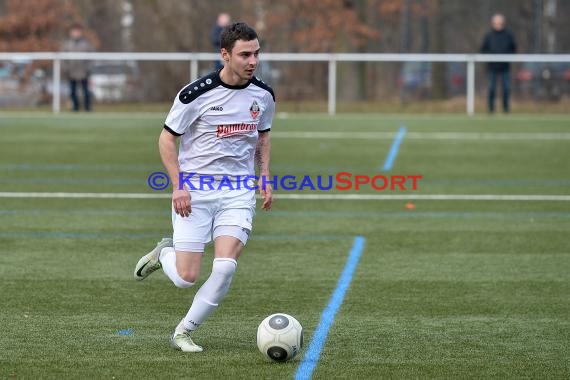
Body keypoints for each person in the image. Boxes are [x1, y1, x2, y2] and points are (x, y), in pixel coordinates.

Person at [134, 22, 275, 353]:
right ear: (224, 55)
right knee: (186, 278)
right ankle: (163, 253)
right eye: (244, 55)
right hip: (194, 190)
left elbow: (263, 134)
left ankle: (183, 331)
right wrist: (178, 185)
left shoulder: (264, 95)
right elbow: (168, 139)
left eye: (256, 53)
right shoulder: (195, 94)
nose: (252, 61)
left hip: (238, 191)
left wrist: (264, 174)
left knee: (225, 266)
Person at [480, 13, 517, 113]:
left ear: (503, 23)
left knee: (506, 89)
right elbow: (483, 49)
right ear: (493, 23)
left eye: (500, 23)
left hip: (505, 67)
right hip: (492, 67)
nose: (498, 25)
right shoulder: (489, 35)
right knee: (491, 88)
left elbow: (513, 49)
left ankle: (506, 110)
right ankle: (491, 110)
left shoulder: (509, 35)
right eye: (496, 23)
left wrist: (507, 57)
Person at [61, 23, 94, 111]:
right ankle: (75, 108)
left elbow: (91, 57)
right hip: (71, 72)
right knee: (72, 91)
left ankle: (88, 108)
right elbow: (63, 58)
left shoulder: (86, 44)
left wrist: (88, 69)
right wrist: (66, 69)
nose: (76, 33)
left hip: (83, 72)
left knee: (86, 91)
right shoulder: (67, 44)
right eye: (74, 31)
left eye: (77, 31)